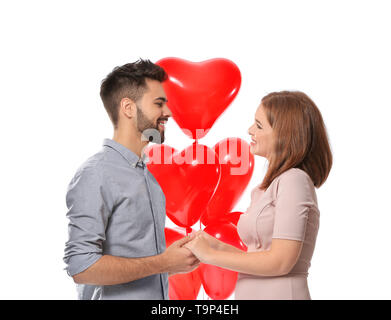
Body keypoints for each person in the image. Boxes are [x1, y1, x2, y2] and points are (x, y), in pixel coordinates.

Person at [63, 59, 199, 300]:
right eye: (159, 104)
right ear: (128, 108)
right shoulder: (96, 173)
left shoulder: (148, 178)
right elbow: (81, 267)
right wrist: (163, 263)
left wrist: (173, 260)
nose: (167, 112)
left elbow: (141, 260)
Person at [185, 91, 332, 300]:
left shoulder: (294, 181)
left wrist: (211, 255)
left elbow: (280, 262)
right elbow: (259, 259)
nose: (250, 130)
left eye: (259, 125)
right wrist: (216, 246)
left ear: (284, 135)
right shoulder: (269, 187)